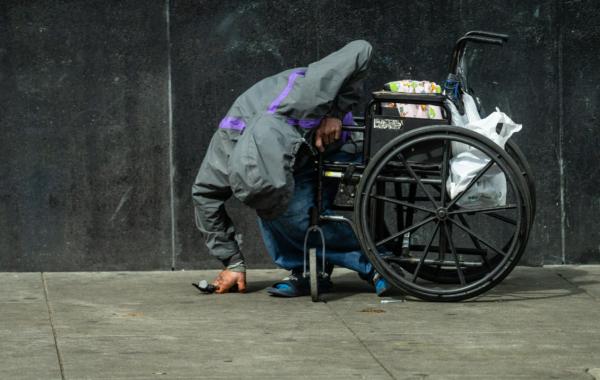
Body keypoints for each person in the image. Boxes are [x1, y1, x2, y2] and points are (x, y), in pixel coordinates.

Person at [192, 40, 390, 296]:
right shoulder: (226, 148)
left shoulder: (305, 96)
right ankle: (306, 270)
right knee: (274, 207)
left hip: (333, 141)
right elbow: (204, 196)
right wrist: (233, 262)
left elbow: (361, 49)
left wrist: (336, 113)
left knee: (295, 217)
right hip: (289, 157)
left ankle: (375, 263)